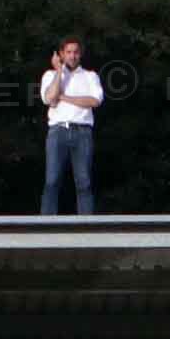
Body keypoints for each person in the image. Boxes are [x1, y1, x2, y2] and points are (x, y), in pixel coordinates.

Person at [37, 37, 102, 214]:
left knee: (84, 182)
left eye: (75, 52)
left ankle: (86, 226)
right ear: (61, 54)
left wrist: (64, 98)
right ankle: (46, 225)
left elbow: (94, 101)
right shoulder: (50, 75)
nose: (72, 56)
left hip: (82, 132)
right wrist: (59, 71)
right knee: (52, 180)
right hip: (58, 131)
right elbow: (50, 98)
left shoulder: (90, 76)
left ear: (80, 55)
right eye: (69, 52)